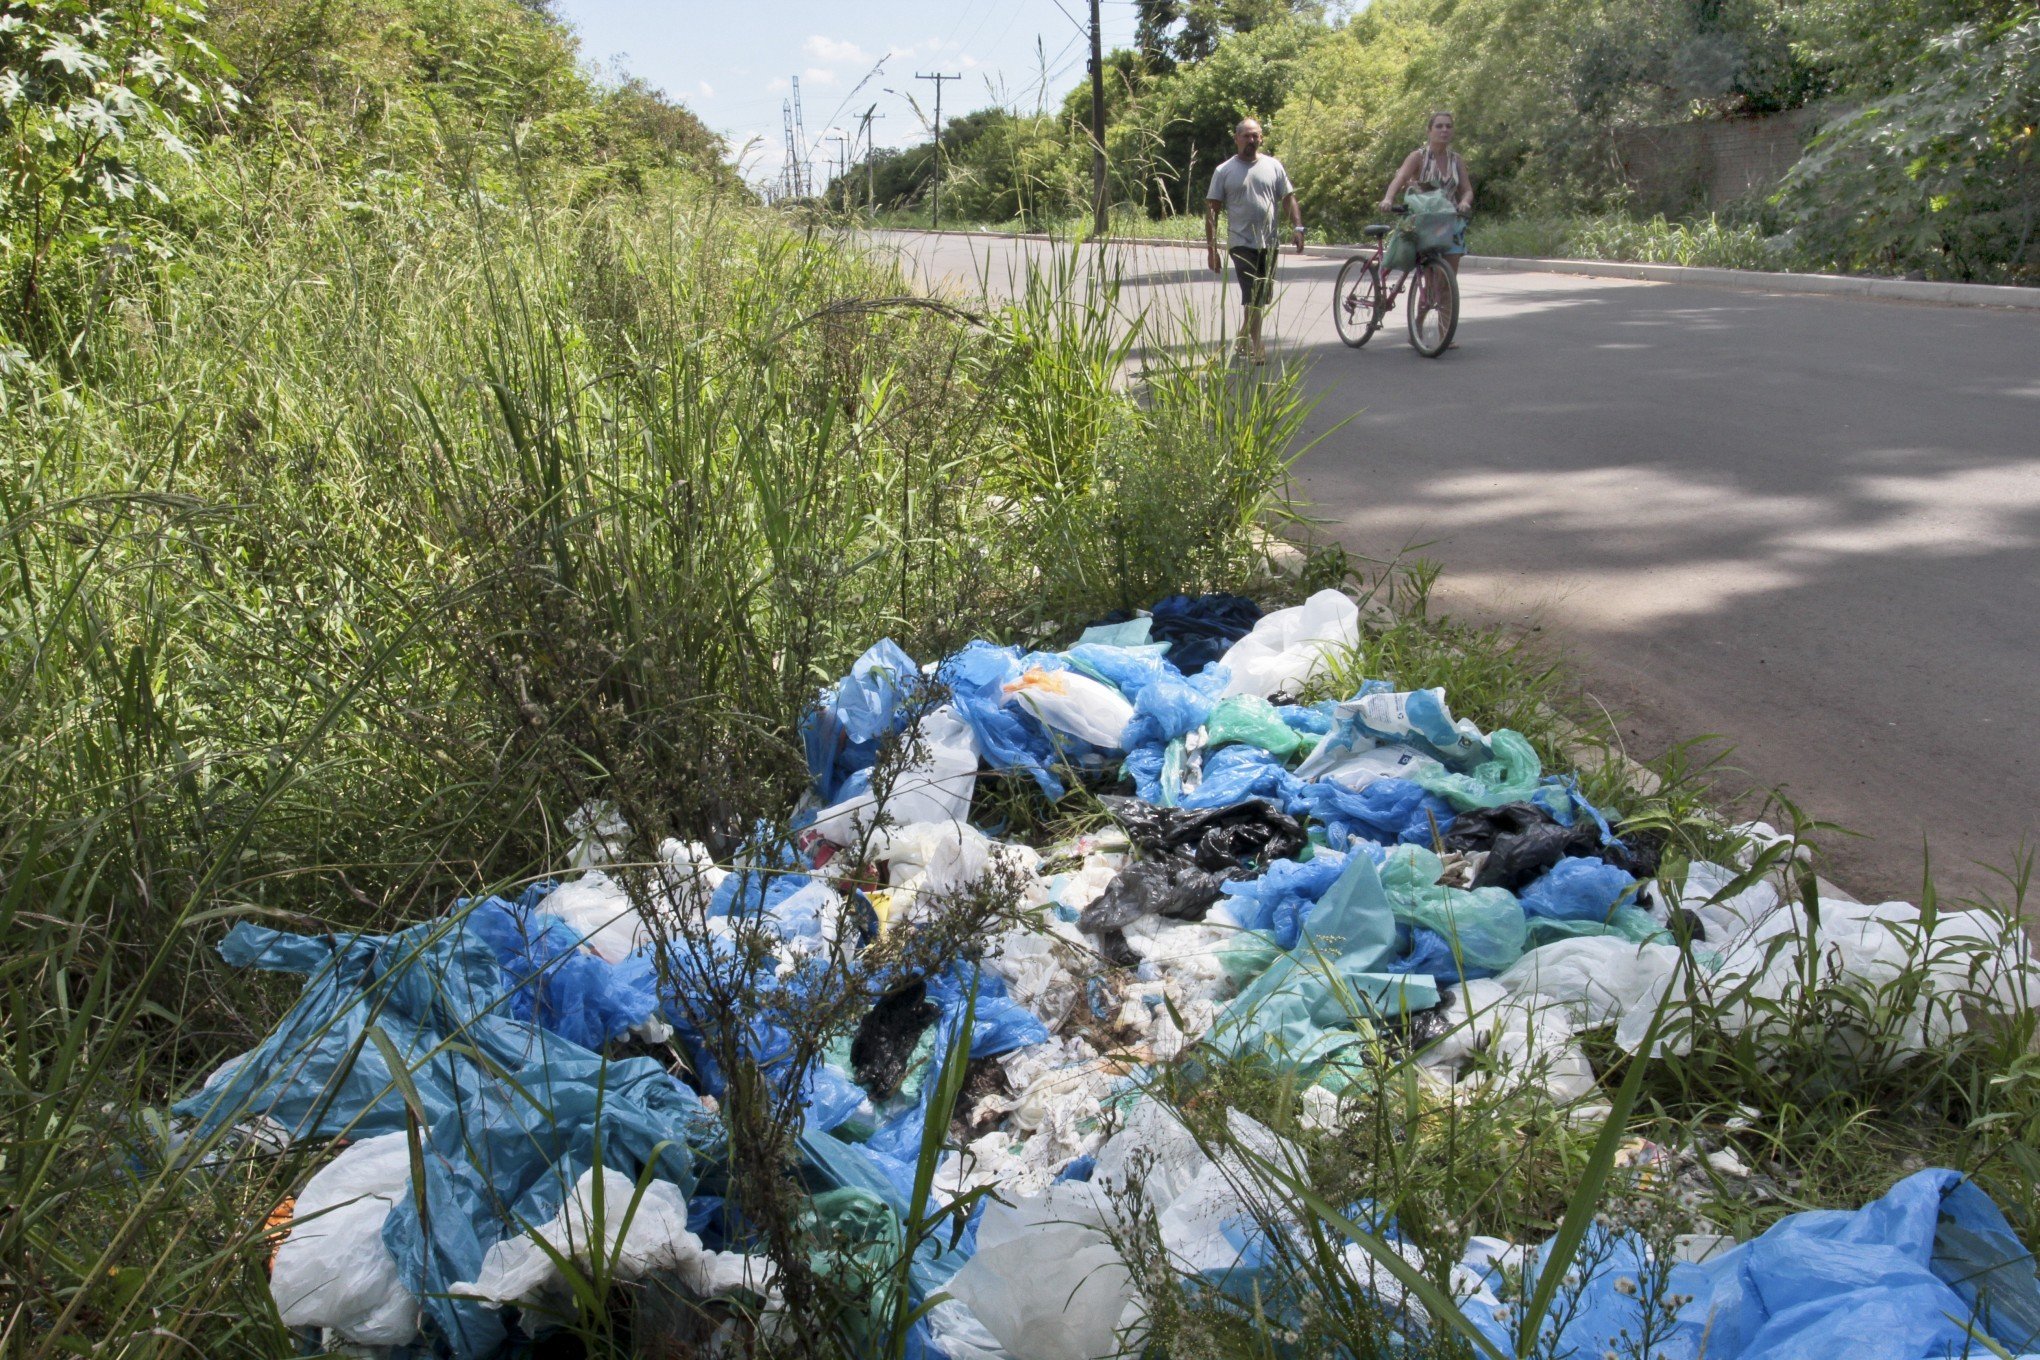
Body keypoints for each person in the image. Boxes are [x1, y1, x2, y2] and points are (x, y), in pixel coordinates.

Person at [1204, 118, 1304, 365]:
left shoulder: (1273, 166)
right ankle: (1257, 346)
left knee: (1261, 296)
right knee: (1253, 294)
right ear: (1236, 138)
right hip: (1240, 243)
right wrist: (1212, 250)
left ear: (1261, 138)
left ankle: (1241, 338)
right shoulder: (1224, 171)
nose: (1251, 140)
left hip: (1269, 243)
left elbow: (1288, 198)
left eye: (1255, 136)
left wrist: (1298, 227)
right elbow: (1212, 211)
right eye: (1246, 136)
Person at [1379, 111, 1474, 272]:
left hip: (1450, 221)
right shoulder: (1418, 157)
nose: (1444, 130)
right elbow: (1400, 178)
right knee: (1430, 281)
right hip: (1425, 222)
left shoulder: (1456, 160)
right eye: (1439, 126)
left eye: (1448, 126)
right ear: (1429, 131)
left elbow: (1467, 190)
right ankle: (1424, 296)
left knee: (1448, 278)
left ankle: (1447, 297)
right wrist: (1388, 199)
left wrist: (1465, 202)